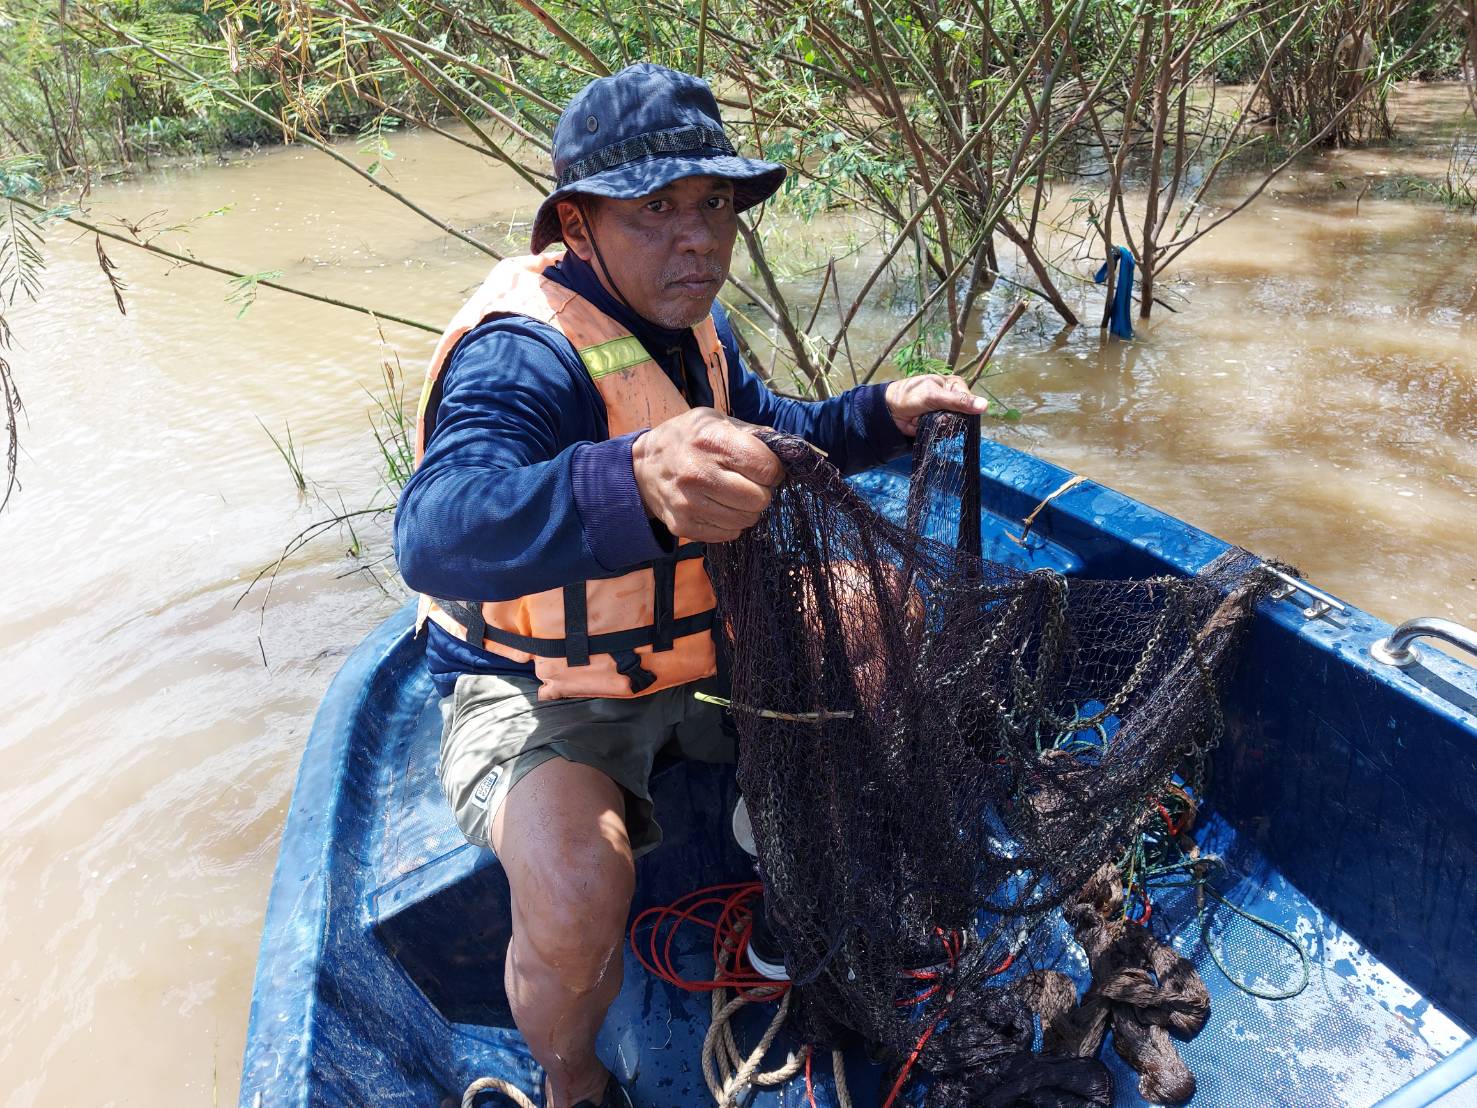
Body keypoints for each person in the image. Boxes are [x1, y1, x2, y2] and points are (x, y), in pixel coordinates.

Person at [394, 62, 988, 1108]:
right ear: (576, 227)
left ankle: (779, 914)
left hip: (696, 644)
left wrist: (877, 411)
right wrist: (628, 479)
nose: (698, 237)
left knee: (878, 611)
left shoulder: (690, 323)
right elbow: (435, 530)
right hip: (548, 690)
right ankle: (573, 1080)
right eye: (656, 207)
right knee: (577, 891)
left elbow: (776, 430)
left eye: (713, 203)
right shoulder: (521, 357)